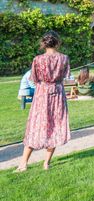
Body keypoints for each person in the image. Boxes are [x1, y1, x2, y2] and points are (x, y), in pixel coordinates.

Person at [17, 31, 70, 172]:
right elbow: (66, 76)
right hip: (57, 95)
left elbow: (33, 78)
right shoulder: (64, 58)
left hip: (42, 95)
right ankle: (46, 163)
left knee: (35, 126)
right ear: (57, 42)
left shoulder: (38, 59)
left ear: (43, 43)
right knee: (54, 126)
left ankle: (23, 164)